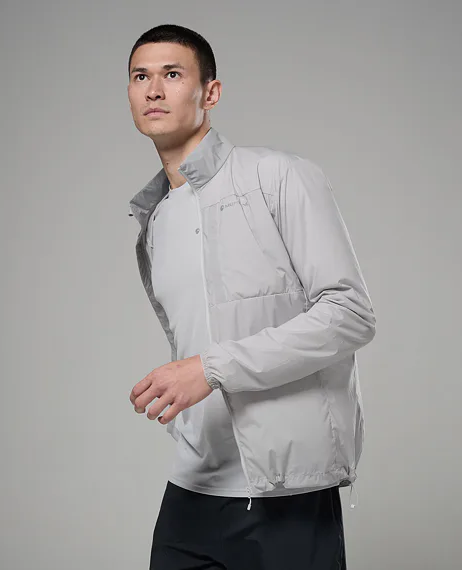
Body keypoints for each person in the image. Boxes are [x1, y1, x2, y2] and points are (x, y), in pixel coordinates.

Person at [127, 23, 376, 570]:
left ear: (210, 92)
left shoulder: (278, 176)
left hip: (286, 493)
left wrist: (210, 368)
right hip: (192, 486)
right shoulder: (154, 219)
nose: (154, 90)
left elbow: (350, 314)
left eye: (173, 74)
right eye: (141, 77)